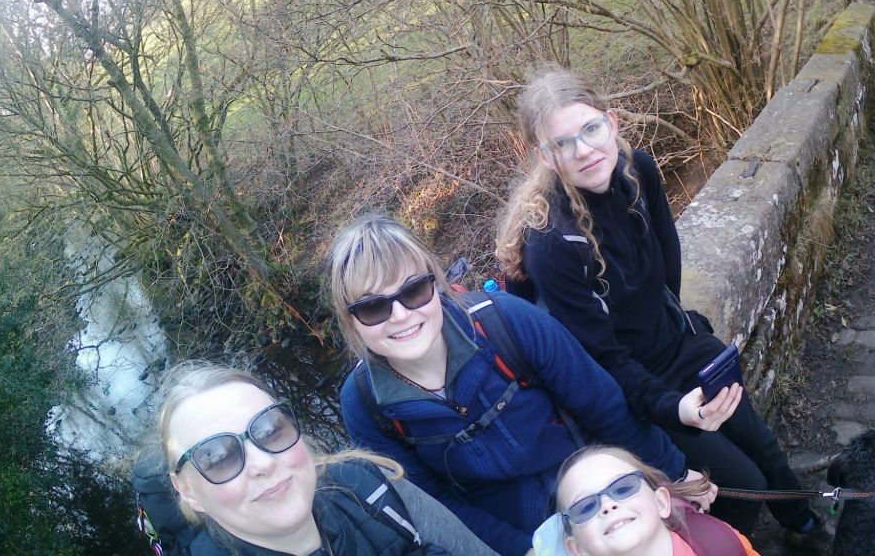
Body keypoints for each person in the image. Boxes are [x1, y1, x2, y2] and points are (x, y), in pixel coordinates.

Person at [494, 67, 825, 544]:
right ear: (546, 155)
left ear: (611, 122)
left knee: (762, 444)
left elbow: (668, 272)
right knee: (739, 487)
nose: (584, 150)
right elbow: (603, 360)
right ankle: (726, 547)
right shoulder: (552, 243)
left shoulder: (639, 171)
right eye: (563, 143)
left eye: (591, 129)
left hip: (679, 345)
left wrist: (688, 338)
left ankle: (805, 527)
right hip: (630, 389)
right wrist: (674, 408)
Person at [330, 215, 711, 556]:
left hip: (593, 489)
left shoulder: (505, 322)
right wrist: (522, 550)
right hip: (509, 531)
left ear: (436, 284)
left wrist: (673, 472)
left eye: (413, 290)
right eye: (373, 307)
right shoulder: (364, 404)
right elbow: (436, 505)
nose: (400, 315)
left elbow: (604, 406)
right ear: (352, 321)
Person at [154, 359, 492, 556]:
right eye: (217, 457)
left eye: (269, 429)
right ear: (187, 491)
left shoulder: (371, 486)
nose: (263, 463)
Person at [534, 445, 758, 556]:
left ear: (661, 502)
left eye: (623, 487)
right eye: (585, 507)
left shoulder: (719, 542)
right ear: (576, 549)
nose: (607, 505)